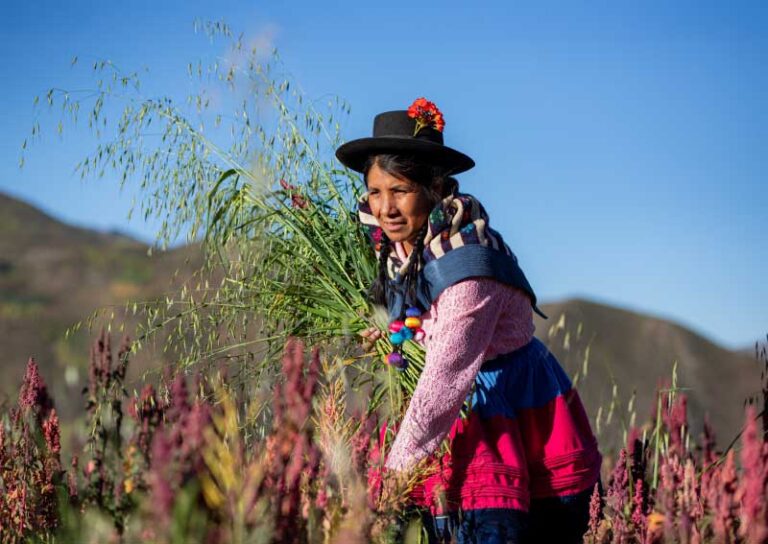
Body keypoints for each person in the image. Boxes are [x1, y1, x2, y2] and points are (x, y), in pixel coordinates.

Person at [336, 98, 601, 543]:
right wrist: (389, 332)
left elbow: (444, 380)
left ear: (435, 189)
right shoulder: (397, 248)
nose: (386, 207)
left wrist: (392, 481)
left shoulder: (469, 264)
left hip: (505, 414)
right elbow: (420, 321)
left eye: (400, 190)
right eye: (376, 191)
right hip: (445, 410)